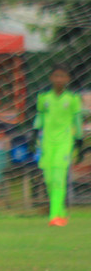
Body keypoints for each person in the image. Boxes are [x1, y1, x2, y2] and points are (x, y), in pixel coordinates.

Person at [34, 65, 83, 226]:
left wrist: (79, 141)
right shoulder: (44, 97)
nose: (59, 79)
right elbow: (39, 117)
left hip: (64, 142)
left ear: (67, 79)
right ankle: (61, 211)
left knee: (58, 178)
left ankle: (54, 216)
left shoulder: (72, 99)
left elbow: (77, 120)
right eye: (56, 76)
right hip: (47, 143)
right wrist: (34, 134)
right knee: (48, 179)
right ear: (51, 78)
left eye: (62, 76)